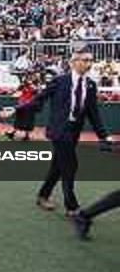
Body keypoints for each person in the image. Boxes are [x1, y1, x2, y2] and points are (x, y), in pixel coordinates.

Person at [15, 48, 113, 216]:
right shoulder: (60, 81)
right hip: (58, 131)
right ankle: (72, 207)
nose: (88, 64)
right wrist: (17, 108)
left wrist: (103, 135)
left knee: (58, 166)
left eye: (90, 60)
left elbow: (93, 113)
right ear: (73, 62)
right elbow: (40, 98)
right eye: (84, 60)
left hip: (74, 132)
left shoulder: (90, 85)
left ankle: (43, 195)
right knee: (70, 165)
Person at [4, 74, 38, 141]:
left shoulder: (34, 87)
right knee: (18, 120)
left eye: (30, 79)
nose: (28, 80)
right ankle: (12, 133)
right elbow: (18, 91)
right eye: (27, 79)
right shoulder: (23, 86)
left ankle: (26, 136)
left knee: (27, 121)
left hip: (29, 106)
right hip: (21, 105)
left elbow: (35, 93)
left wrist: (31, 86)